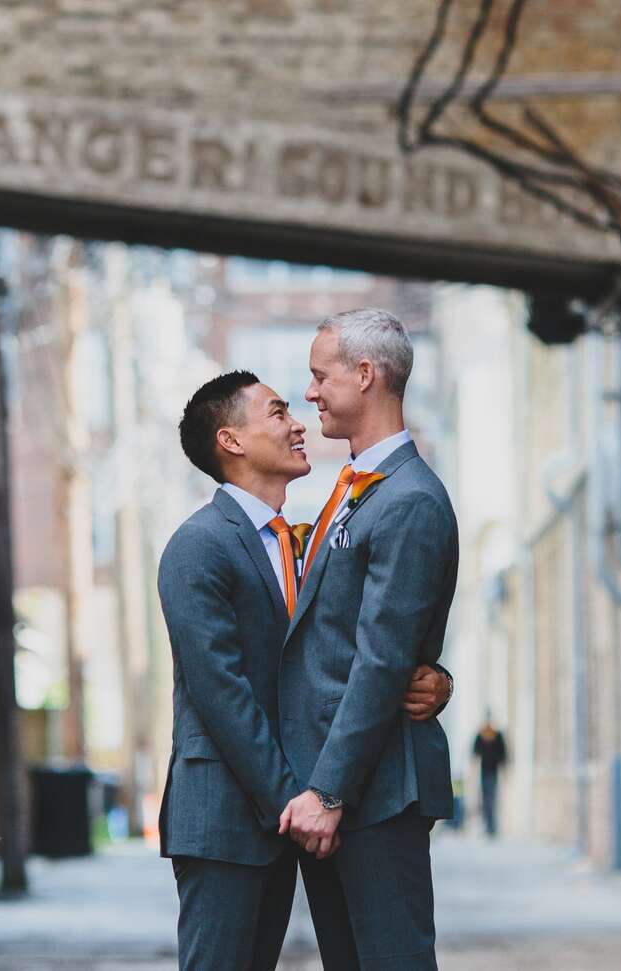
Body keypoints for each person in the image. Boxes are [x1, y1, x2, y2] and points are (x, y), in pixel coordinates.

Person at [156, 370, 451, 971]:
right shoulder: (199, 545)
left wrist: (431, 679)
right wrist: (302, 801)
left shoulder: (309, 540)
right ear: (231, 441)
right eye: (276, 412)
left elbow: (356, 646)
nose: (297, 423)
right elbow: (221, 693)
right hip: (226, 816)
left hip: (288, 814)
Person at [278, 309, 459, 970]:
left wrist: (330, 791)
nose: (310, 393)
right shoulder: (355, 487)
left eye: (320, 376)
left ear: (364, 374)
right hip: (345, 786)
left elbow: (382, 657)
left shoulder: (408, 499)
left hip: (376, 789)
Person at [471, 716, 508, 838]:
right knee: (487, 798)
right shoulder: (484, 734)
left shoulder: (496, 735)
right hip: (485, 770)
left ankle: (491, 826)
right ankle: (489, 825)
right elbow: (475, 751)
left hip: (492, 770)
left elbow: (503, 753)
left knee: (491, 798)